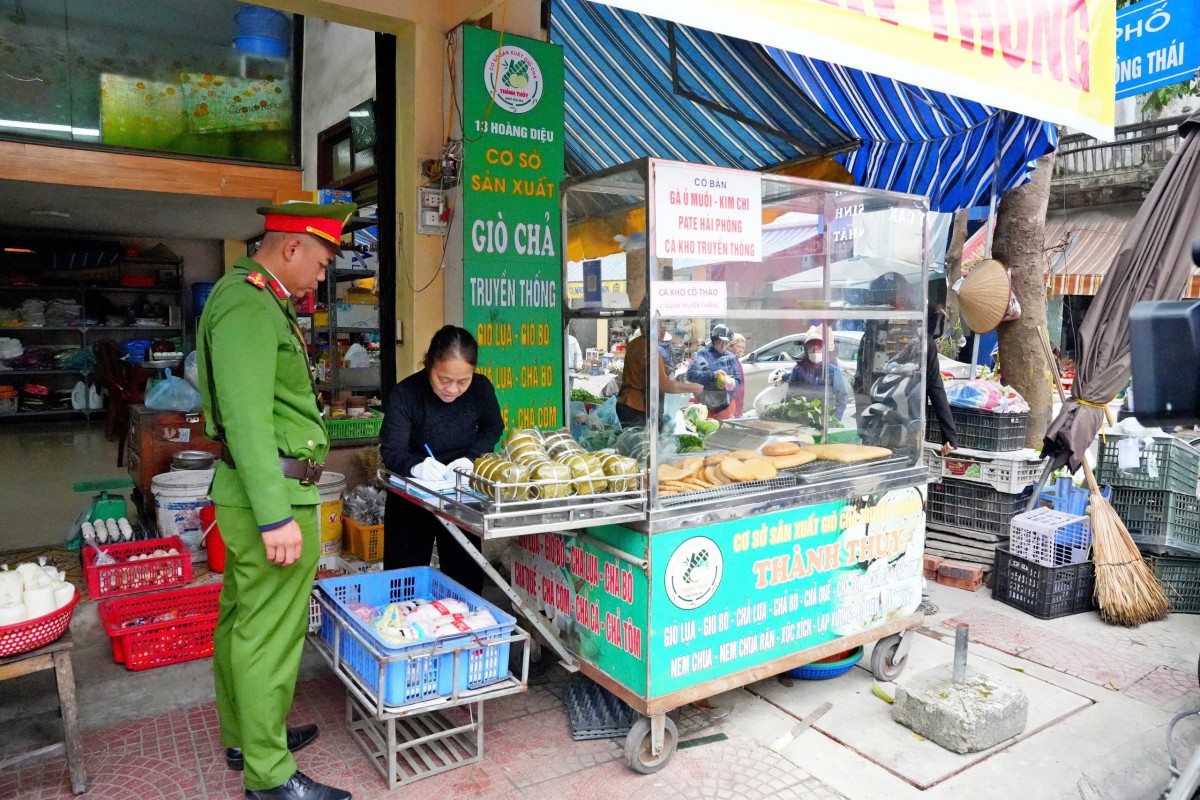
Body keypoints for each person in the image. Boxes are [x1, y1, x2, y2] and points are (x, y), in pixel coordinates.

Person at [197, 201, 355, 800]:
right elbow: (245, 421)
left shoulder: (255, 297)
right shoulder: (246, 303)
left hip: (261, 492)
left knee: (243, 622)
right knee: (269, 633)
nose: (321, 276)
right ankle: (269, 777)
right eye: (319, 262)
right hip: (271, 495)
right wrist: (276, 515)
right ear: (291, 248)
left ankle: (248, 738)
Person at [380, 326, 504, 593]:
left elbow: (493, 428)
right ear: (429, 365)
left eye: (463, 381)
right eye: (444, 379)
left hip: (459, 493)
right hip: (411, 496)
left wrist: (471, 458)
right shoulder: (406, 394)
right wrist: (417, 466)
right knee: (404, 581)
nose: (453, 390)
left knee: (465, 577)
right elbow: (391, 452)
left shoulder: (480, 389)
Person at [616, 316, 703, 428]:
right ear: (648, 326)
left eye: (664, 326)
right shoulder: (649, 349)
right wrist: (693, 388)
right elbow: (663, 385)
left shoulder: (636, 343)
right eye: (660, 326)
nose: (664, 330)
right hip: (637, 408)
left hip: (626, 403)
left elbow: (643, 373)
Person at [787, 331, 850, 419]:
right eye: (811, 348)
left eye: (819, 348)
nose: (815, 351)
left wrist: (835, 418)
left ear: (824, 351)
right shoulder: (797, 370)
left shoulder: (832, 371)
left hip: (825, 418)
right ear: (806, 351)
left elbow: (842, 397)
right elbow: (790, 394)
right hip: (802, 418)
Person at [687, 323, 741, 416]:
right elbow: (691, 375)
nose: (723, 346)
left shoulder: (730, 357)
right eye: (720, 343)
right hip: (704, 403)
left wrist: (729, 383)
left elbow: (738, 380)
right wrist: (713, 375)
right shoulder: (702, 355)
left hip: (726, 403)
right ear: (713, 341)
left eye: (726, 343)